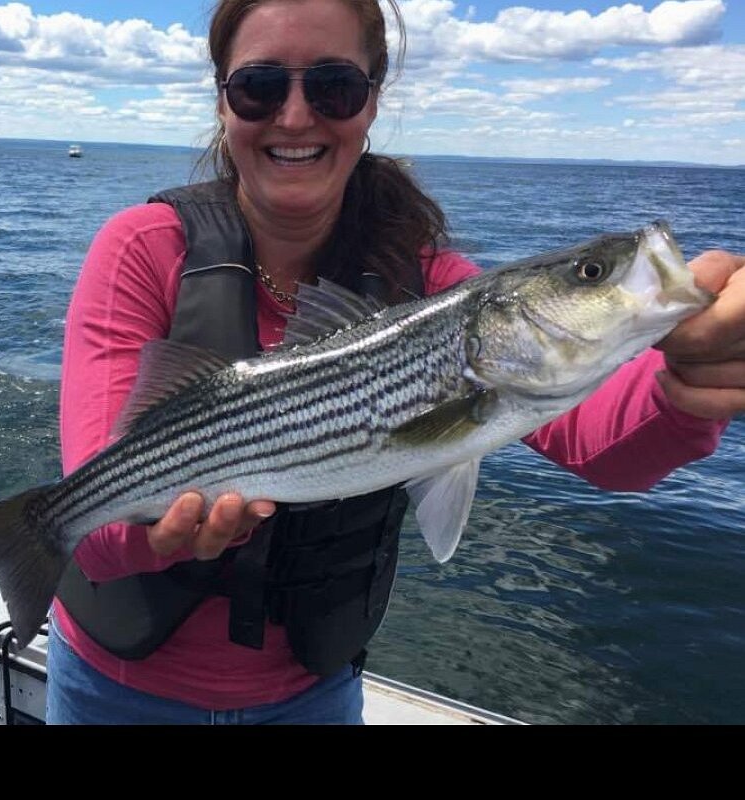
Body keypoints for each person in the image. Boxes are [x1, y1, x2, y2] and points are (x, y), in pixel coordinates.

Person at [45, 0, 745, 724]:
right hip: (115, 691)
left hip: (309, 697)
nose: (293, 117)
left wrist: (688, 386)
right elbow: (93, 541)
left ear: (373, 100)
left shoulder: (434, 283)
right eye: (258, 86)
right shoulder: (141, 248)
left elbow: (610, 453)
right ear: (222, 100)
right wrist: (146, 531)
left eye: (333, 87)